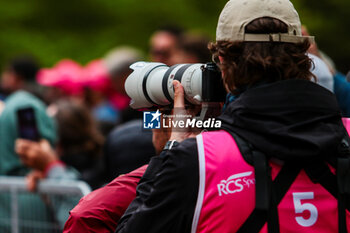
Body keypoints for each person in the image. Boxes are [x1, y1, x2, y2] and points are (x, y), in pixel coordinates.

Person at [115, 0, 350, 232]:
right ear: (305, 57)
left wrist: (170, 151)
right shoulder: (346, 136)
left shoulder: (198, 161)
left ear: (223, 62)